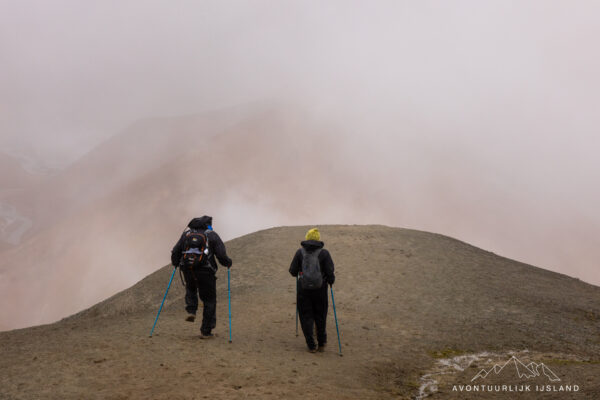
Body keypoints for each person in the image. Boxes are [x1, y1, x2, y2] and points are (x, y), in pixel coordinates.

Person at [171, 216, 232, 339]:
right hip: (206, 271)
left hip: (188, 269)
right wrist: (228, 263)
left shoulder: (187, 234)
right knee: (209, 300)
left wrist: (176, 263)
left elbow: (176, 251)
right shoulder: (212, 235)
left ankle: (191, 311)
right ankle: (206, 331)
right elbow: (221, 255)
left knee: (191, 288)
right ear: (208, 224)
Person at [289, 228, 335, 353]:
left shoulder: (299, 252)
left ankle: (311, 345)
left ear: (307, 238)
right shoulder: (324, 253)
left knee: (306, 316)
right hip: (320, 290)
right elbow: (330, 273)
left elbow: (292, 271)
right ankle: (321, 343)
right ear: (318, 239)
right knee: (320, 315)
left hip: (303, 290)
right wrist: (330, 281)